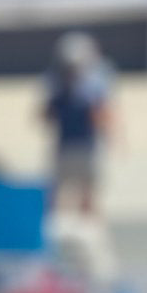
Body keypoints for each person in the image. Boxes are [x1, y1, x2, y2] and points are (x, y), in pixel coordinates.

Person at [42, 31, 113, 216]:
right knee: (56, 194)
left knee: (87, 194)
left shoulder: (93, 84)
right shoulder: (56, 84)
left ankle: (88, 225)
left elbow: (102, 115)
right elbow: (46, 116)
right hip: (66, 146)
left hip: (85, 146)